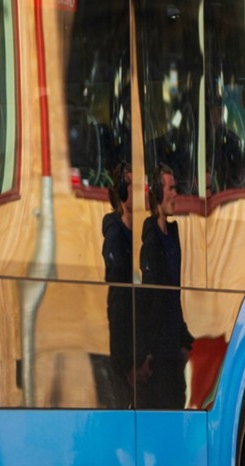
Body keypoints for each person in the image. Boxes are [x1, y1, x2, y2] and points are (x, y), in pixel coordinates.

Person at [135, 164, 193, 409]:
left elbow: (173, 297)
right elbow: (151, 301)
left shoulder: (173, 235)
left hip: (172, 351)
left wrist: (183, 341)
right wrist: (147, 352)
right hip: (158, 355)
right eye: (170, 188)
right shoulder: (150, 239)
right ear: (157, 193)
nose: (175, 194)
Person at [101, 162, 139, 408]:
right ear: (123, 192)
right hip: (122, 317)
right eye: (133, 187)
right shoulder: (114, 229)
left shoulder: (139, 228)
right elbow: (115, 270)